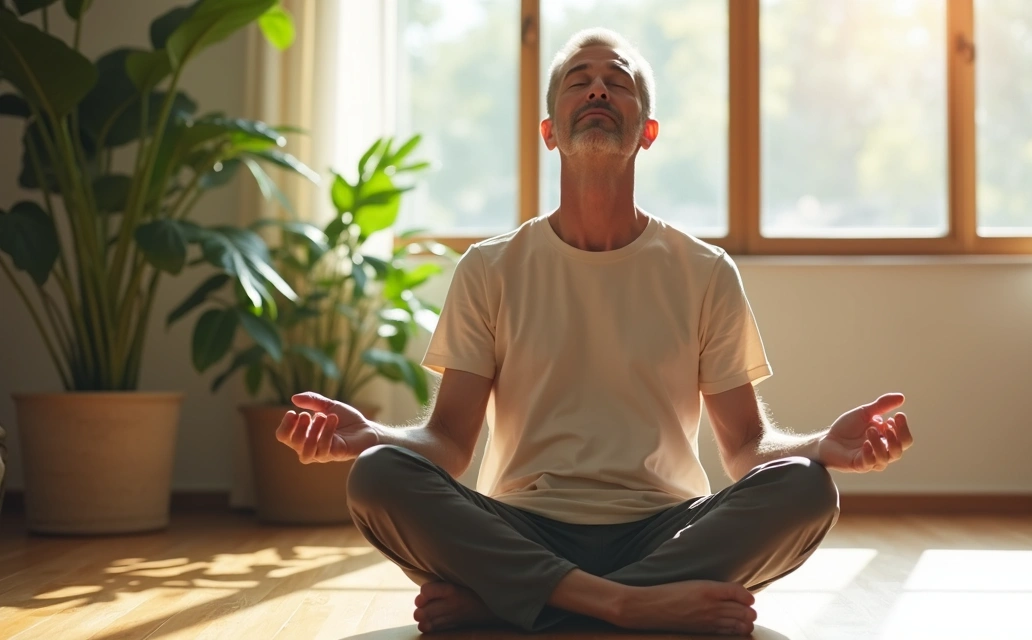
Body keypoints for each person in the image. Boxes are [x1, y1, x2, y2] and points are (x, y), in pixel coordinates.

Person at [276, 27, 914, 636]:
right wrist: (371, 436)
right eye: (579, 81)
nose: (599, 89)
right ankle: (627, 604)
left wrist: (822, 445)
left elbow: (746, 447)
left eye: (619, 81)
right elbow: (447, 441)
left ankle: (516, 600)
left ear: (648, 131)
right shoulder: (490, 268)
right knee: (378, 475)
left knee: (806, 487)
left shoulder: (705, 270)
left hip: (666, 530)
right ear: (550, 131)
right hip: (521, 527)